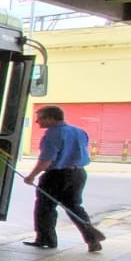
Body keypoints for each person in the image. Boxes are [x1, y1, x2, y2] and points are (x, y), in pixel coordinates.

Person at [23, 105, 105, 252]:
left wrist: (31, 176)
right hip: (78, 174)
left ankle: (46, 240)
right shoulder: (79, 131)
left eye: (40, 118)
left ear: (51, 118)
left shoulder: (52, 134)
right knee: (74, 207)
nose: (37, 122)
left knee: (45, 207)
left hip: (57, 175)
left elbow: (46, 160)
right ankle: (92, 239)